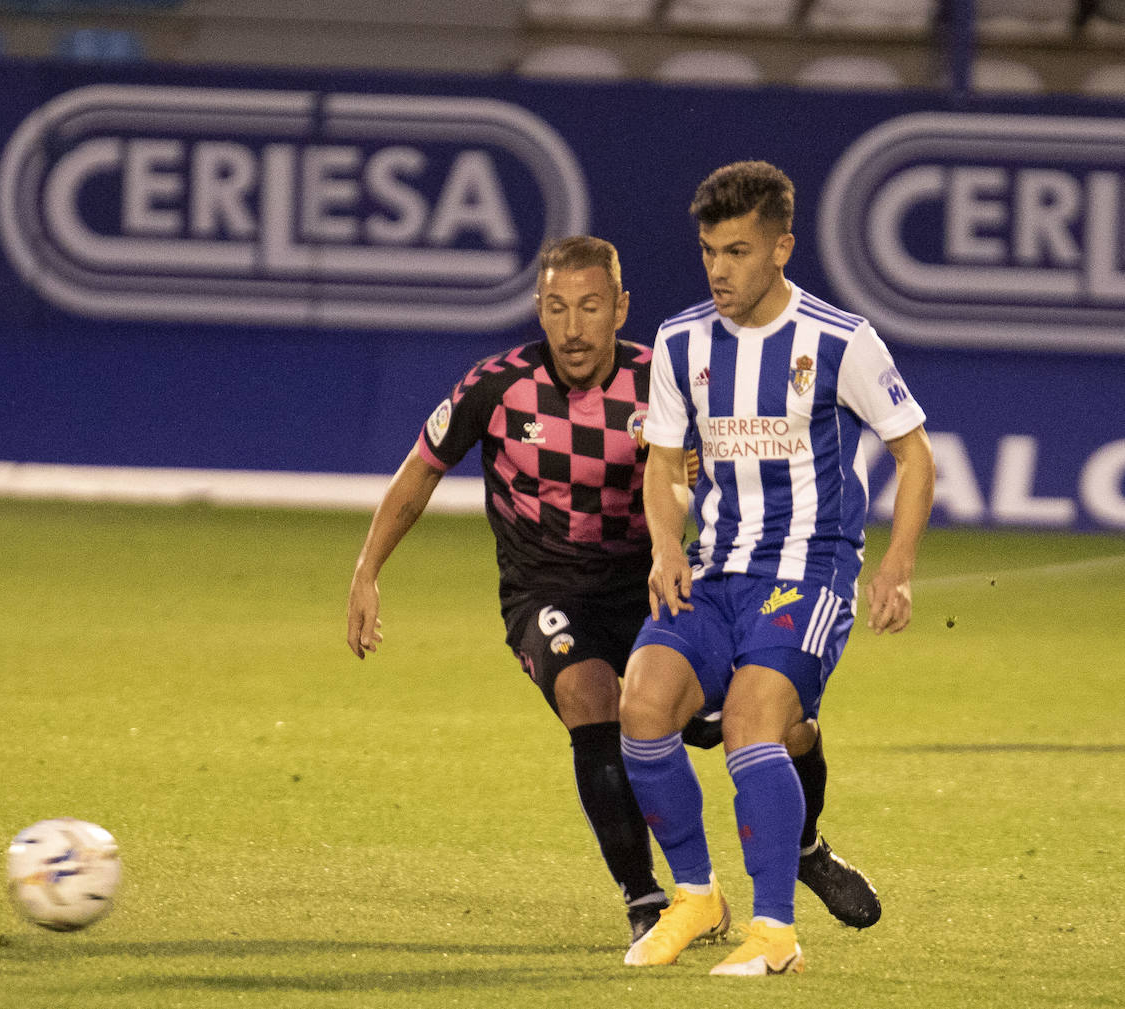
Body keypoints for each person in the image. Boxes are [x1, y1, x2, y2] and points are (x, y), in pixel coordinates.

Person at [346, 234, 881, 948]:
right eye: (557, 307)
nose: (573, 327)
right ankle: (650, 897)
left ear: (620, 308)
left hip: (654, 588)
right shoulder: (495, 387)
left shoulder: (662, 378)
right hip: (546, 594)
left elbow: (724, 468)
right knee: (590, 700)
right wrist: (366, 571)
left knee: (778, 727)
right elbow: (419, 472)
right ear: (538, 310)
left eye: (590, 306)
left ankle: (806, 846)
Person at [618, 162, 935, 976]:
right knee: (643, 708)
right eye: (707, 251)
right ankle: (696, 896)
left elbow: (913, 453)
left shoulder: (840, 340)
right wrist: (662, 545)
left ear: (782, 248)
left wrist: (897, 564)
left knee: (752, 725)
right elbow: (660, 464)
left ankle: (776, 931)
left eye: (737, 250)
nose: (719, 270)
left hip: (810, 569)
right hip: (713, 568)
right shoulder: (681, 340)